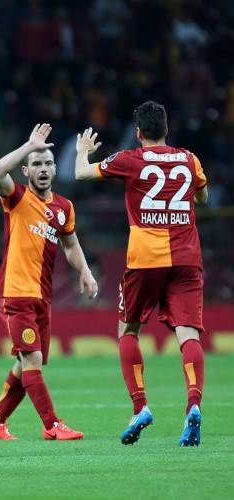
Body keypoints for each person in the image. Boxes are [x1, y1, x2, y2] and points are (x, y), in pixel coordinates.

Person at [75, 101, 208, 447]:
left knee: (128, 330)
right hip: (186, 258)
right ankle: (194, 404)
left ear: (138, 133)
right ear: (167, 129)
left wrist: (82, 150)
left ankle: (140, 407)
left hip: (145, 259)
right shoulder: (189, 159)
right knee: (188, 334)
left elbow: (81, 174)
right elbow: (203, 196)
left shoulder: (129, 159)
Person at [0, 123, 98, 440]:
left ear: (55, 169)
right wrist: (29, 145)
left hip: (42, 297)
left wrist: (85, 272)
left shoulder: (64, 208)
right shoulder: (17, 198)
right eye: (36, 163)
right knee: (31, 359)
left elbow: (71, 245)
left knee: (25, 363)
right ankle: (51, 425)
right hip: (15, 293)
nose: (43, 168)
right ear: (26, 171)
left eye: (48, 163)